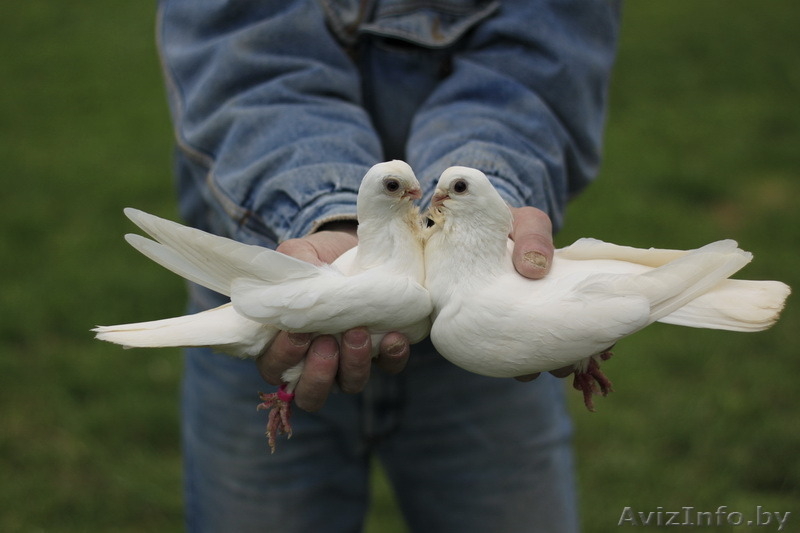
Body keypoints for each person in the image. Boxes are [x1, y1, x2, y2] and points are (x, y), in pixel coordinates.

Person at [156, 0, 620, 531]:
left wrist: (494, 210)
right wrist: (324, 214)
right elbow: (247, 64)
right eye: (403, 191)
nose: (419, 198)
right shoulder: (389, 265)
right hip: (276, 307)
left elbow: (542, 61)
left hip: (487, 334)